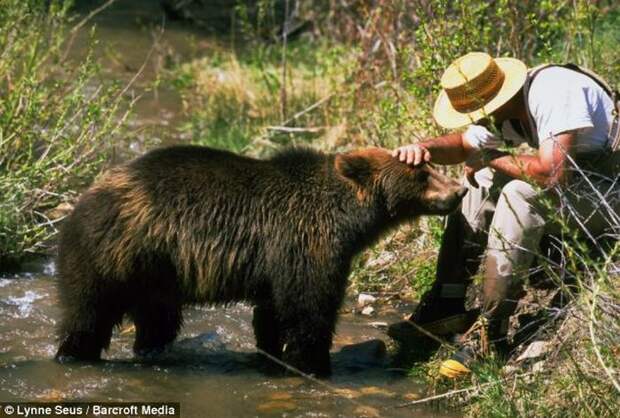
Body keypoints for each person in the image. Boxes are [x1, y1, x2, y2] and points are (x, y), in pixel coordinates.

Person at [391, 52, 620, 378]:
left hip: (611, 197)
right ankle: (448, 299)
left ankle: (490, 330)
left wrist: (488, 156)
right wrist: (422, 148)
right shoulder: (503, 111)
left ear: (496, 100)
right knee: (480, 180)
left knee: (519, 193)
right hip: (582, 192)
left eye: (474, 113)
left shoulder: (554, 91)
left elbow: (551, 177)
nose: (472, 120)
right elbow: (462, 145)